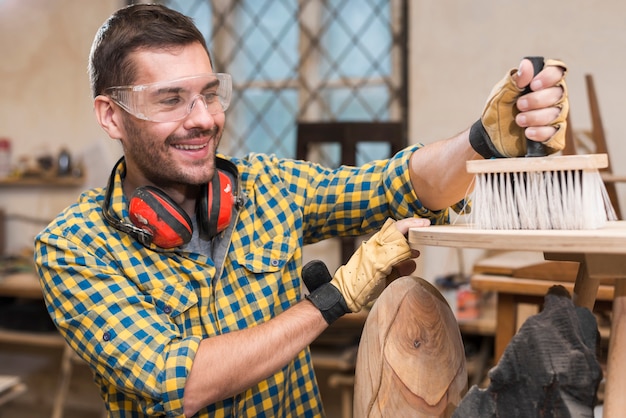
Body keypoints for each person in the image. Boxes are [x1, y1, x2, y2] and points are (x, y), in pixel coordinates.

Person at [33, 4, 568, 417]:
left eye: (210, 94)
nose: (203, 119)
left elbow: (398, 184)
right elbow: (182, 384)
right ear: (111, 114)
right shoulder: (74, 245)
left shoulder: (269, 186)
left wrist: (484, 141)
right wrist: (334, 299)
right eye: (170, 99)